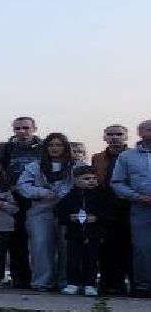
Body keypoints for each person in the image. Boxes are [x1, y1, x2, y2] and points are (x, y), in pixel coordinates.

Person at [16, 133, 76, 292]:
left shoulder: (75, 165)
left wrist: (65, 193)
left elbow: (83, 184)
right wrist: (41, 192)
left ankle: (66, 281)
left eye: (58, 145)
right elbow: (22, 186)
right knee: (40, 245)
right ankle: (42, 281)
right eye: (51, 145)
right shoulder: (34, 166)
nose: (55, 149)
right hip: (40, 211)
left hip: (67, 213)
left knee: (67, 247)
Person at [0, 117, 44, 288]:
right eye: (18, 128)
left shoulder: (44, 147)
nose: (22, 131)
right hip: (13, 198)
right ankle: (20, 277)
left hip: (38, 198)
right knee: (16, 241)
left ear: (34, 128)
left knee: (41, 240)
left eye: (26, 128)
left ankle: (44, 277)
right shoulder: (4, 149)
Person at [56, 165, 114, 296]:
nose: (91, 181)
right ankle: (72, 283)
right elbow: (60, 213)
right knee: (73, 260)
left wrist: (97, 218)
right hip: (74, 234)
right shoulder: (70, 196)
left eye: (94, 178)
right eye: (87, 178)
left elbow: (109, 214)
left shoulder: (102, 195)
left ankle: (90, 284)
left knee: (91, 260)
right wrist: (70, 218)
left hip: (94, 234)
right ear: (76, 180)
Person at [108, 120, 151, 297]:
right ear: (140, 132)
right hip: (140, 208)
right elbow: (117, 183)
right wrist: (137, 196)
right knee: (142, 248)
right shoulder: (127, 157)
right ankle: (143, 286)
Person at [91, 125, 134, 293]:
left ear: (126, 136)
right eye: (110, 134)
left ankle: (134, 282)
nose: (114, 137)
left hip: (129, 205)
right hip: (105, 206)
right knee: (106, 246)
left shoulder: (134, 156)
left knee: (129, 245)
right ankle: (110, 283)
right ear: (104, 137)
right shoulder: (97, 158)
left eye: (118, 134)